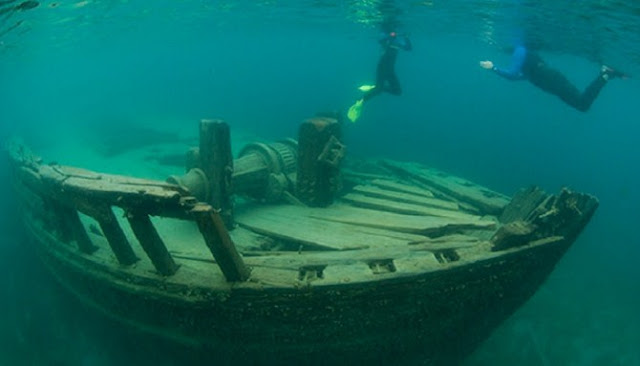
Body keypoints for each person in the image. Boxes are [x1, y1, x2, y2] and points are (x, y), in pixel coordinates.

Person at [480, 45, 629, 112]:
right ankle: (605, 75)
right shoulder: (524, 58)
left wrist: (493, 67)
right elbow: (520, 76)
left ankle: (606, 74)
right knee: (582, 105)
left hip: (552, 81)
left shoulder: (520, 50)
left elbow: (512, 76)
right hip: (552, 82)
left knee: (583, 105)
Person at [347, 31, 412, 122]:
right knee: (378, 89)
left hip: (391, 70)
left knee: (397, 91)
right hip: (382, 68)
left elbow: (408, 48)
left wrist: (406, 37)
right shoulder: (385, 37)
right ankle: (360, 100)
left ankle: (378, 87)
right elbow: (380, 40)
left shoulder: (397, 41)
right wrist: (389, 35)